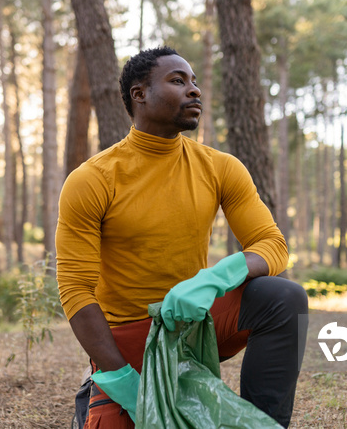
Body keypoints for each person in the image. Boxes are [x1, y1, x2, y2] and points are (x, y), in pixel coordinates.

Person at [56, 46, 308, 428]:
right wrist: (122, 379)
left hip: (194, 327)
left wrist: (215, 278)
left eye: (195, 82)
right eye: (178, 81)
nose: (195, 91)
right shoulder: (93, 179)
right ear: (139, 94)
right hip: (128, 342)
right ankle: (97, 390)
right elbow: (76, 291)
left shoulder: (221, 167)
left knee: (282, 297)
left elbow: (272, 246)